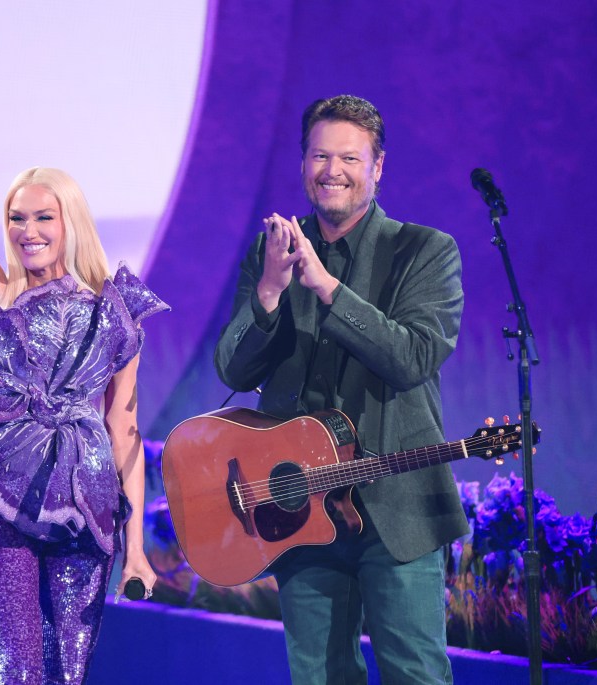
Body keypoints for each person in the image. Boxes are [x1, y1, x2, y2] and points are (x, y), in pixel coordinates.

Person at [0, 11, 166, 685]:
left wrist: (136, 548)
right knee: (18, 672)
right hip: (1, 505)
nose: (27, 229)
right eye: (17, 217)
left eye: (43, 216)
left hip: (89, 508)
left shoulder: (115, 314)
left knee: (68, 674)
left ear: (69, 220)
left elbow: (125, 426)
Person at [214, 95, 469, 684]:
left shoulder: (425, 251)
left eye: (349, 158)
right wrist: (270, 295)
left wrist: (328, 288)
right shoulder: (271, 250)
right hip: (300, 509)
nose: (332, 170)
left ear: (377, 167)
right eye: (319, 155)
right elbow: (232, 369)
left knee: (415, 674)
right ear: (303, 164)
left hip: (397, 509)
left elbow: (413, 358)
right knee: (320, 676)